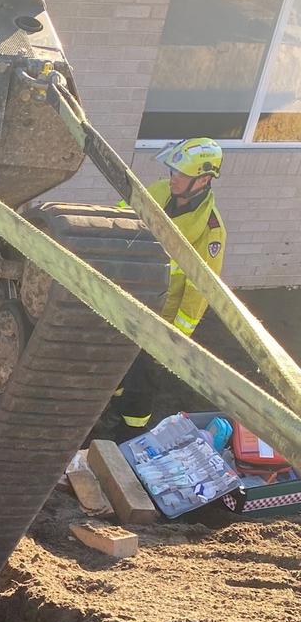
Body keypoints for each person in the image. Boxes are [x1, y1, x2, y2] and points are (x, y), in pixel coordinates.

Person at [113, 137, 226, 429]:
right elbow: (121, 214)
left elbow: (199, 292)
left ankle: (130, 434)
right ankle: (109, 405)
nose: (173, 178)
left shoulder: (210, 230)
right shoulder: (160, 191)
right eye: (173, 171)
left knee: (142, 380)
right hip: (129, 295)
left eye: (181, 174)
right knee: (114, 360)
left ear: (202, 180)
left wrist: (174, 339)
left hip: (159, 319)